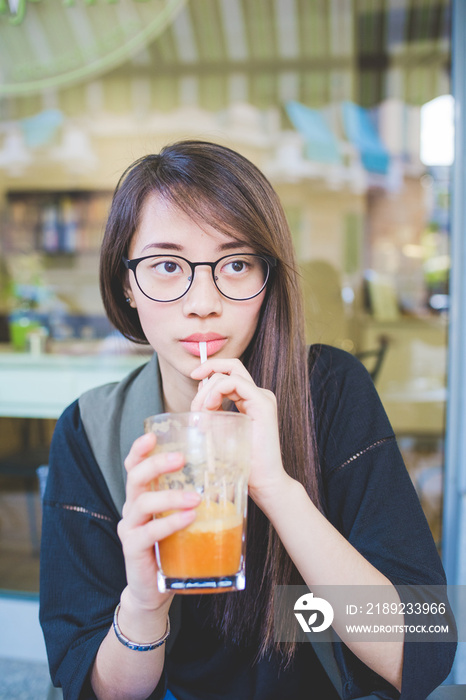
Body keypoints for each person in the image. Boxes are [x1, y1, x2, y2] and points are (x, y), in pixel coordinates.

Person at [40, 140, 456, 700]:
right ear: (126, 285)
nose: (204, 301)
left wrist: (278, 489)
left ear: (268, 280)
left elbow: (420, 649)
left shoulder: (328, 393)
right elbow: (95, 688)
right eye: (167, 266)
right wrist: (143, 602)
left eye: (235, 264)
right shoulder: (90, 432)